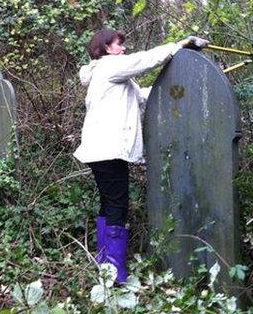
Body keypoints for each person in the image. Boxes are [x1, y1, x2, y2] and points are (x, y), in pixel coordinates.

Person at [74, 29, 209, 283]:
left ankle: (105, 261)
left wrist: (177, 88)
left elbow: (142, 96)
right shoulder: (109, 67)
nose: (123, 48)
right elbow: (144, 60)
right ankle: (114, 272)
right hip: (107, 149)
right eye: (118, 45)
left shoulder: (113, 76)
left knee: (109, 203)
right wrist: (177, 45)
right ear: (105, 48)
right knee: (117, 205)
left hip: (102, 150)